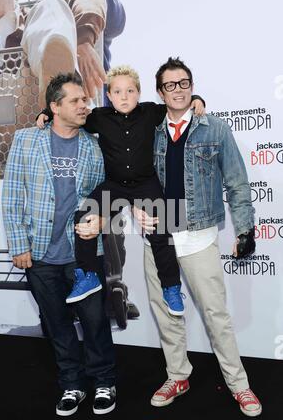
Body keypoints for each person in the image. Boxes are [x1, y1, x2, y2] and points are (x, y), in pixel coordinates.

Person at [139, 57, 261, 417]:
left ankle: (239, 384)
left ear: (192, 86)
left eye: (184, 83)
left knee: (215, 314)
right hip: (158, 236)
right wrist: (133, 206)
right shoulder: (150, 129)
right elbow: (128, 169)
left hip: (198, 233)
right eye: (170, 85)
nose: (178, 89)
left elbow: (237, 183)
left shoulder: (215, 129)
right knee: (166, 313)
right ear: (160, 92)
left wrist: (244, 229)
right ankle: (178, 375)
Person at [37, 65, 206, 317]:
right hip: (114, 185)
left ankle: (171, 287)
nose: (124, 96)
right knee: (83, 216)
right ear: (109, 95)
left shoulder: (151, 111)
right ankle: (89, 275)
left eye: (129, 91)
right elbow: (73, 114)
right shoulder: (99, 117)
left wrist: (196, 99)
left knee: (161, 232)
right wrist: (46, 114)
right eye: (117, 92)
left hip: (145, 184)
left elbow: (176, 104)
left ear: (138, 93)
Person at [2, 72, 116, 417]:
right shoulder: (25, 140)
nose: (85, 105)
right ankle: (72, 385)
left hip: (83, 253)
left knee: (95, 322)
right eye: (76, 100)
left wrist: (103, 219)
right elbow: (11, 196)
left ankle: (103, 382)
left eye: (85, 100)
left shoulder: (95, 147)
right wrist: (19, 244)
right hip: (39, 254)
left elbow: (108, 196)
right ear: (54, 106)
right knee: (57, 324)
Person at [0, 0, 125, 105]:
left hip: (34, 111)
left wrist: (83, 40)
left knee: (51, 5)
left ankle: (58, 87)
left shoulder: (37, 19)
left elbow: (90, 1)